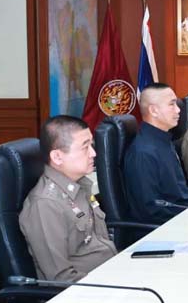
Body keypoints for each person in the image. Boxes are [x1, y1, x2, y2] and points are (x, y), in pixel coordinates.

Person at [20, 116, 116, 281]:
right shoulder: (46, 204)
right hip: (88, 289)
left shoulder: (81, 185)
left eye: (91, 145)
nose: (93, 153)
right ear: (57, 157)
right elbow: (60, 278)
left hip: (111, 270)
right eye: (85, 147)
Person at [123, 83, 188, 223]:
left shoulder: (163, 140)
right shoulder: (143, 152)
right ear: (154, 110)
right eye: (172, 104)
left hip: (183, 214)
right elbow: (150, 210)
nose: (178, 110)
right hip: (167, 225)